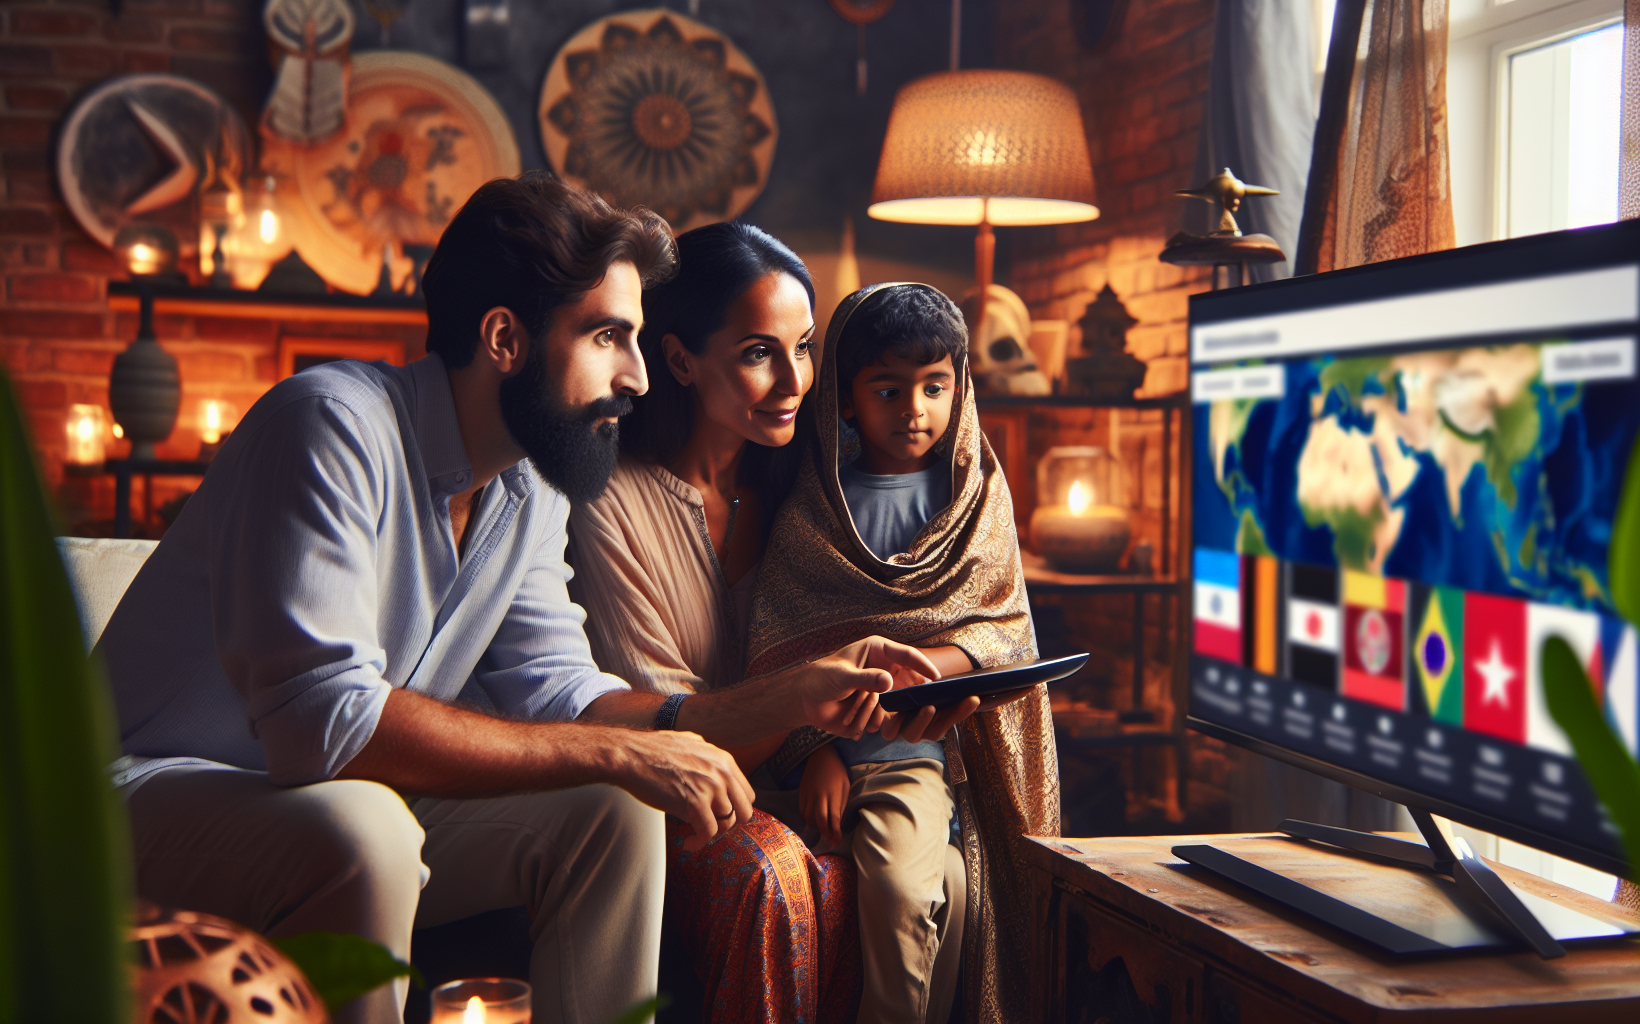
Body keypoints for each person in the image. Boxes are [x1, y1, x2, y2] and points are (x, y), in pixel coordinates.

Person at [98, 174, 937, 1024]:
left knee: (613, 814)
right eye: (610, 336)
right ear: (504, 337)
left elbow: (566, 693)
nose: (641, 377)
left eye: (639, 339)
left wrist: (790, 699)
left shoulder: (528, 488)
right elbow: (324, 725)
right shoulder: (329, 424)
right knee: (369, 830)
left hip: (331, 800)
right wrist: (611, 754)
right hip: (138, 801)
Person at [564, 225, 985, 1024]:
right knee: (771, 871)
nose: (795, 379)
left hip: (812, 772)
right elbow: (669, 732)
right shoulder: (610, 503)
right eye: (760, 352)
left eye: (806, 346)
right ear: (681, 359)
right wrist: (812, 725)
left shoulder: (810, 479)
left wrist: (842, 733)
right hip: (670, 791)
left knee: (948, 882)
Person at [747, 283, 1060, 1024]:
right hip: (814, 754)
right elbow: (782, 651)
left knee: (900, 891)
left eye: (934, 387)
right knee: (916, 880)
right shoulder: (816, 511)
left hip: (913, 753)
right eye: (888, 390)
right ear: (847, 401)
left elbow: (1001, 629)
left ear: (960, 387)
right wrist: (815, 748)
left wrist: (913, 677)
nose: (914, 410)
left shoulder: (975, 496)